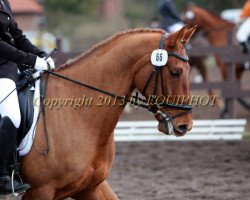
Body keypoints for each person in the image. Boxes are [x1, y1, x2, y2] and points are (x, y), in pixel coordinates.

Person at [0, 0, 55, 195]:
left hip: (10, 68)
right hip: (1, 71)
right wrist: (31, 60)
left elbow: (16, 35)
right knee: (12, 116)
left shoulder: (3, 2)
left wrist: (41, 55)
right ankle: (2, 176)